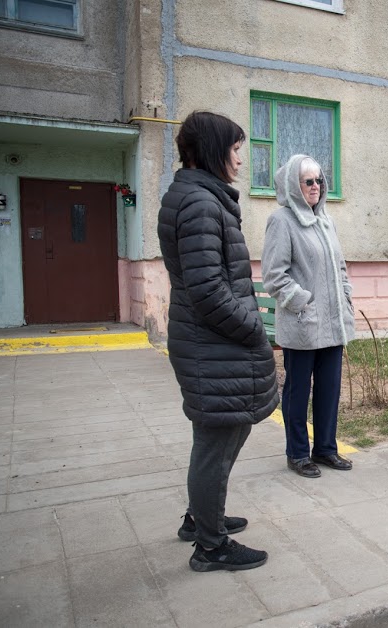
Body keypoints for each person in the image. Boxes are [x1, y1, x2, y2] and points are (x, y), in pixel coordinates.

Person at [157, 111, 279, 572]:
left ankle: (203, 518)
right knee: (215, 441)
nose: (240, 161)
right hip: (214, 345)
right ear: (212, 151)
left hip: (209, 344)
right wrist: (254, 329)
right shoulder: (202, 204)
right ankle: (210, 546)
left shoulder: (197, 197)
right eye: (234, 150)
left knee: (224, 433)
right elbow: (209, 292)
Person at [263, 155, 355, 478]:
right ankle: (298, 453)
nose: (316, 187)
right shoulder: (282, 220)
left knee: (329, 388)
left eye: (319, 181)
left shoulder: (326, 221)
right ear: (293, 186)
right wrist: (304, 301)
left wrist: (345, 297)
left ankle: (326, 448)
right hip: (303, 324)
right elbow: (274, 275)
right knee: (298, 391)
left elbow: (340, 267)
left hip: (332, 324)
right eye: (308, 181)